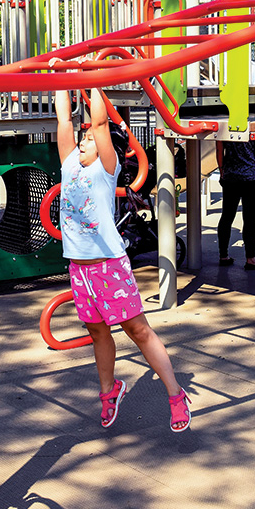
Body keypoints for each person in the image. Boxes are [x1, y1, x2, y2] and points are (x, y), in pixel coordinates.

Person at [51, 60, 191, 433]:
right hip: (80, 268)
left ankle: (176, 395)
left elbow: (97, 124)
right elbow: (65, 119)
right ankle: (109, 389)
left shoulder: (104, 169)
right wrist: (62, 75)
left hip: (109, 264)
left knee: (138, 330)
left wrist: (94, 76)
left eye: (89, 142)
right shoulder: (69, 167)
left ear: (103, 149)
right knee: (97, 331)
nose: (82, 143)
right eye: (80, 142)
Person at [215, 140, 255, 269]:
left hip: (230, 176)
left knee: (226, 217)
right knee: (249, 219)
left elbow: (219, 150)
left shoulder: (225, 127)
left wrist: (222, 170)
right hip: (250, 177)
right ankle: (250, 258)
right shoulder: (252, 126)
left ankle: (223, 255)